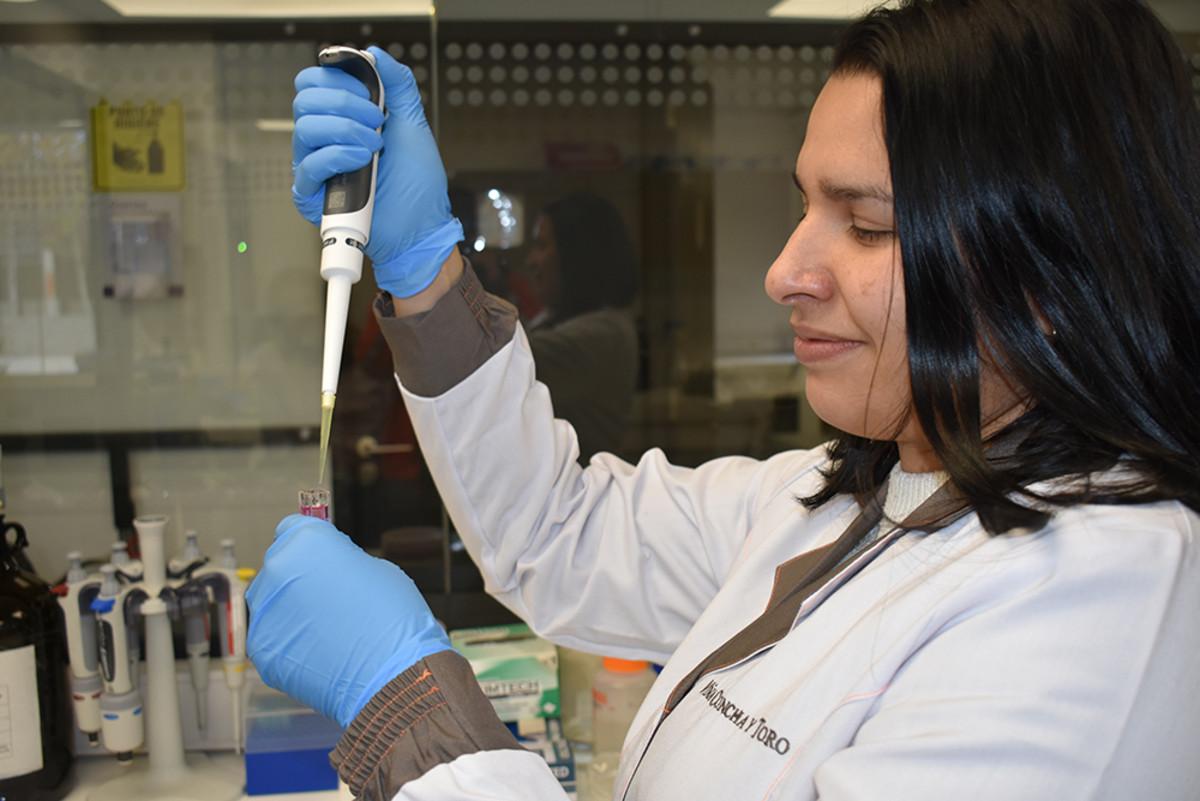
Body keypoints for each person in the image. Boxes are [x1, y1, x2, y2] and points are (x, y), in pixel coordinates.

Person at [247, 2, 1200, 799]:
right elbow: (555, 531)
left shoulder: (1098, 598)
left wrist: (415, 716)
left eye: (867, 224)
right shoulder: (843, 496)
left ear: (1052, 273)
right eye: (805, 206)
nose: (784, 271)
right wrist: (422, 269)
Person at [521, 193, 639, 462]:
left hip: (580, 486)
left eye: (542, 246)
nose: (531, 261)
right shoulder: (556, 317)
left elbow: (505, 361)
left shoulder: (605, 333)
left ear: (576, 253)